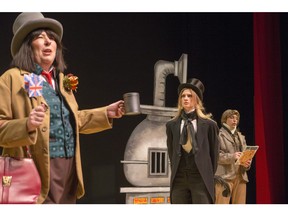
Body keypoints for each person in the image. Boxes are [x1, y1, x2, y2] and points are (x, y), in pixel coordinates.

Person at [0, 12, 125, 204]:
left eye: (51, 37)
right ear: (27, 45)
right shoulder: (11, 78)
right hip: (35, 169)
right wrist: (26, 125)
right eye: (40, 37)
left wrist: (105, 113)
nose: (48, 42)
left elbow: (74, 120)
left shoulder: (61, 80)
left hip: (69, 170)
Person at [166, 78, 219, 204]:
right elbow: (171, 151)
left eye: (189, 96)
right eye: (183, 96)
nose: (185, 98)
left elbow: (214, 155)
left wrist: (205, 173)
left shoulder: (210, 125)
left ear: (196, 100)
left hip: (200, 177)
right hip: (179, 178)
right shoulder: (171, 125)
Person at [215, 109, 251, 204]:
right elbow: (215, 156)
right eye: (231, 117)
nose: (235, 120)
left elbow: (245, 153)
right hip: (225, 176)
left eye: (236, 118)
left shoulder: (241, 137)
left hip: (241, 175)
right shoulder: (218, 135)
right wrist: (232, 156)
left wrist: (247, 162)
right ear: (224, 120)